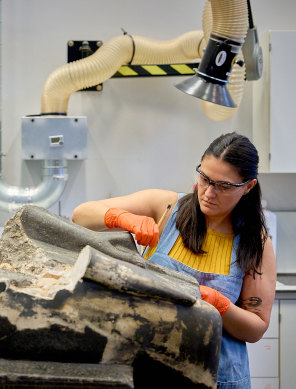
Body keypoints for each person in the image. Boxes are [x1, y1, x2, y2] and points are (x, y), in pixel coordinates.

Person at [71, 132, 276, 389]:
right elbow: (80, 215)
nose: (208, 193)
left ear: (248, 187)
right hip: (151, 366)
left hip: (217, 376)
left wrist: (219, 304)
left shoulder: (256, 241)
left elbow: (255, 329)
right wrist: (123, 219)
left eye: (223, 186)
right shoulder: (167, 207)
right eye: (204, 178)